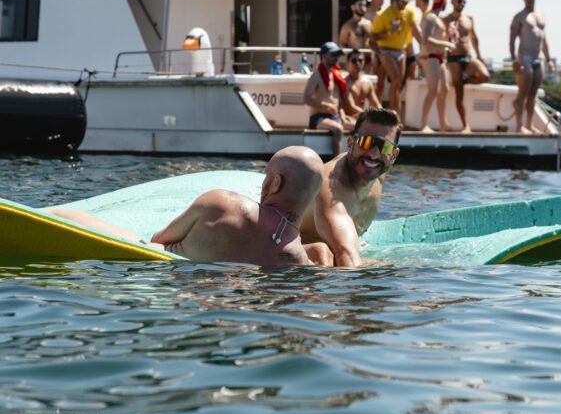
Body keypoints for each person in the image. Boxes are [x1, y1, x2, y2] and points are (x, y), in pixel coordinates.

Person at [48, 147, 326, 267]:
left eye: (266, 178)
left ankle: (46, 215)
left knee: (70, 218)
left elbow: (160, 239)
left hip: (158, 268)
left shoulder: (223, 202)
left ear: (275, 183)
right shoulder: (297, 259)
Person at [301, 107, 401, 267]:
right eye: (366, 142)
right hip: (295, 251)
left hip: (341, 253)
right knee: (320, 252)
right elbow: (345, 256)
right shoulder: (331, 186)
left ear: (393, 155)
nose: (373, 154)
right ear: (351, 143)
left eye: (384, 147)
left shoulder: (378, 170)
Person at [509, 0, 554, 133]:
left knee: (533, 95)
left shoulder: (541, 16)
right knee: (523, 92)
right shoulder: (519, 17)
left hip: (538, 58)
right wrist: (514, 60)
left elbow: (544, 39)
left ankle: (529, 124)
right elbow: (512, 39)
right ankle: (519, 126)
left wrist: (549, 59)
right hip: (524, 58)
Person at [442, 0, 490, 133]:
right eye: (458, 1)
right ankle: (466, 126)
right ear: (452, 2)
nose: (461, 4)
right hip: (453, 58)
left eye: (464, 1)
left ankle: (462, 81)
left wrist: (479, 55)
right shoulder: (446, 19)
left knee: (484, 75)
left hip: (467, 56)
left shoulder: (469, 18)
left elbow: (474, 38)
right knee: (459, 94)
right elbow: (441, 39)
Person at [372, 0, 423, 117]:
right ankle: (389, 115)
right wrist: (389, 32)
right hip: (385, 51)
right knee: (393, 80)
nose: (406, 4)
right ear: (397, 0)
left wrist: (424, 46)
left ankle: (396, 116)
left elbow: (416, 30)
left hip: (401, 51)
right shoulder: (383, 15)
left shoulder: (409, 12)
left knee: (398, 84)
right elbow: (373, 37)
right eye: (404, 2)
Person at [303, 41, 361, 155]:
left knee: (360, 127)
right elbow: (306, 98)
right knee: (338, 129)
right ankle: (336, 163)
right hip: (318, 118)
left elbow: (338, 101)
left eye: (338, 54)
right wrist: (326, 106)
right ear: (324, 55)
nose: (336, 57)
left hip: (335, 117)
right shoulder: (316, 75)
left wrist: (343, 116)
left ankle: (355, 158)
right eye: (333, 54)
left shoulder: (337, 75)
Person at [415, 0, 454, 132]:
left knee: (444, 89)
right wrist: (447, 44)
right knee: (433, 90)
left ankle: (443, 123)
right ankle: (424, 124)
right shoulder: (430, 17)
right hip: (430, 57)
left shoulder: (437, 18)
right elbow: (425, 39)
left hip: (439, 58)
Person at [338, 0, 373, 72]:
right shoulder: (347, 26)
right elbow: (342, 44)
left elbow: (372, 41)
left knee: (366, 81)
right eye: (360, 5)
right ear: (353, 7)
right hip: (354, 60)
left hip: (368, 60)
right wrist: (351, 57)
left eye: (364, 5)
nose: (362, 8)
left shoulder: (369, 23)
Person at [365, 0, 387, 104]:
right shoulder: (366, 13)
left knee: (380, 82)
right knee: (368, 81)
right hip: (369, 53)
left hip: (381, 52)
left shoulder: (382, 14)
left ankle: (377, 107)